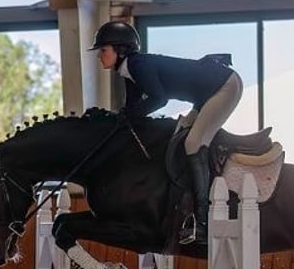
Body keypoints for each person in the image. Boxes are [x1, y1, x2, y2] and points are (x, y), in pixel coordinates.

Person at [89, 20, 243, 245]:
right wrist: (112, 119)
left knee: (194, 143)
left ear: (120, 50)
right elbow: (132, 112)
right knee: (179, 135)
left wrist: (125, 115)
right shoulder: (128, 70)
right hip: (206, 93)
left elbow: (159, 99)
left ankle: (202, 223)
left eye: (103, 50)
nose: (99, 56)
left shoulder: (137, 65)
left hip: (224, 86)